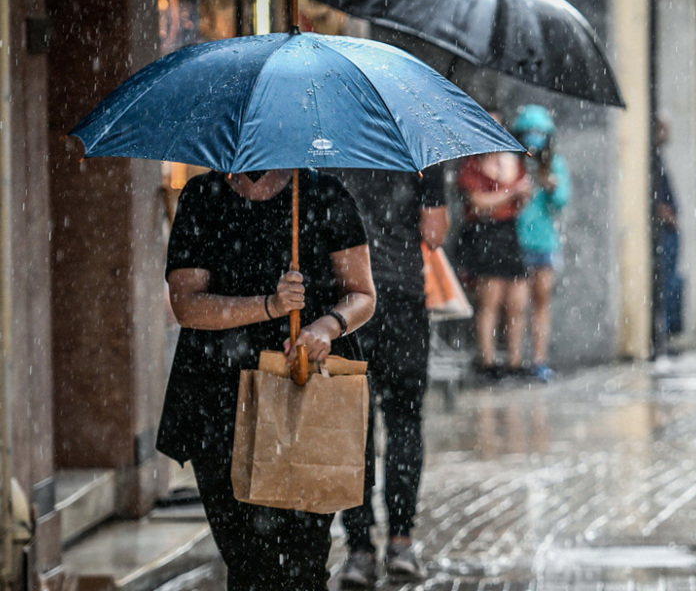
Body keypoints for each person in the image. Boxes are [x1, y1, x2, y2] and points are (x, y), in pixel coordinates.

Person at [160, 169, 375, 591]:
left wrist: (326, 327)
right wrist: (270, 306)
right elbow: (187, 305)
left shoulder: (323, 194)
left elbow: (362, 294)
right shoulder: (203, 196)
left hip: (306, 394)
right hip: (218, 401)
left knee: (304, 564)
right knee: (246, 564)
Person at [331, 166, 448, 586]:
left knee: (352, 428)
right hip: (401, 300)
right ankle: (401, 541)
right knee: (404, 421)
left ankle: (359, 549)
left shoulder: (328, 141)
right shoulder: (417, 149)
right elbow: (434, 234)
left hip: (344, 307)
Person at [456, 130, 534, 378]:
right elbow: (477, 202)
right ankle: (487, 361)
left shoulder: (512, 162)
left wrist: (515, 193)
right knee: (490, 300)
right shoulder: (472, 164)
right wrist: (509, 193)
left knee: (517, 302)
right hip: (485, 234)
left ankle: (515, 361)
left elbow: (520, 199)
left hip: (509, 233)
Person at [513, 105, 571, 382]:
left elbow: (561, 201)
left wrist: (551, 187)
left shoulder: (555, 163)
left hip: (544, 243)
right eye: (528, 132)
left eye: (539, 132)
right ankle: (516, 360)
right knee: (517, 305)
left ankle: (538, 359)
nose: (533, 137)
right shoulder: (514, 162)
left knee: (541, 303)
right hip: (517, 241)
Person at [651, 114, 683, 354]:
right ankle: (662, 335)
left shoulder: (657, 159)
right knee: (666, 283)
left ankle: (667, 334)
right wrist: (667, 216)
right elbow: (655, 201)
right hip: (664, 231)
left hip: (669, 231)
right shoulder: (651, 161)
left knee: (671, 281)